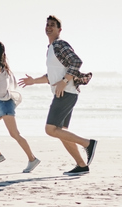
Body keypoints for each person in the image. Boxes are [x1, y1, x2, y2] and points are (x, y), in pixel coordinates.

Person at [18, 15, 97, 175]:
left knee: (50, 129)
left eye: (52, 25)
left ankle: (88, 144)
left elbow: (76, 62)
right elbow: (51, 77)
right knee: (62, 132)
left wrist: (64, 80)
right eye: (47, 25)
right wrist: (33, 81)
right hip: (65, 92)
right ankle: (81, 165)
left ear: (59, 29)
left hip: (66, 92)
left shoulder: (60, 44)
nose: (48, 27)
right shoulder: (51, 49)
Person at [0, 41, 40, 173]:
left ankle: (32, 159)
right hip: (0, 103)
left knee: (15, 134)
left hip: (5, 104)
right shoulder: (1, 66)